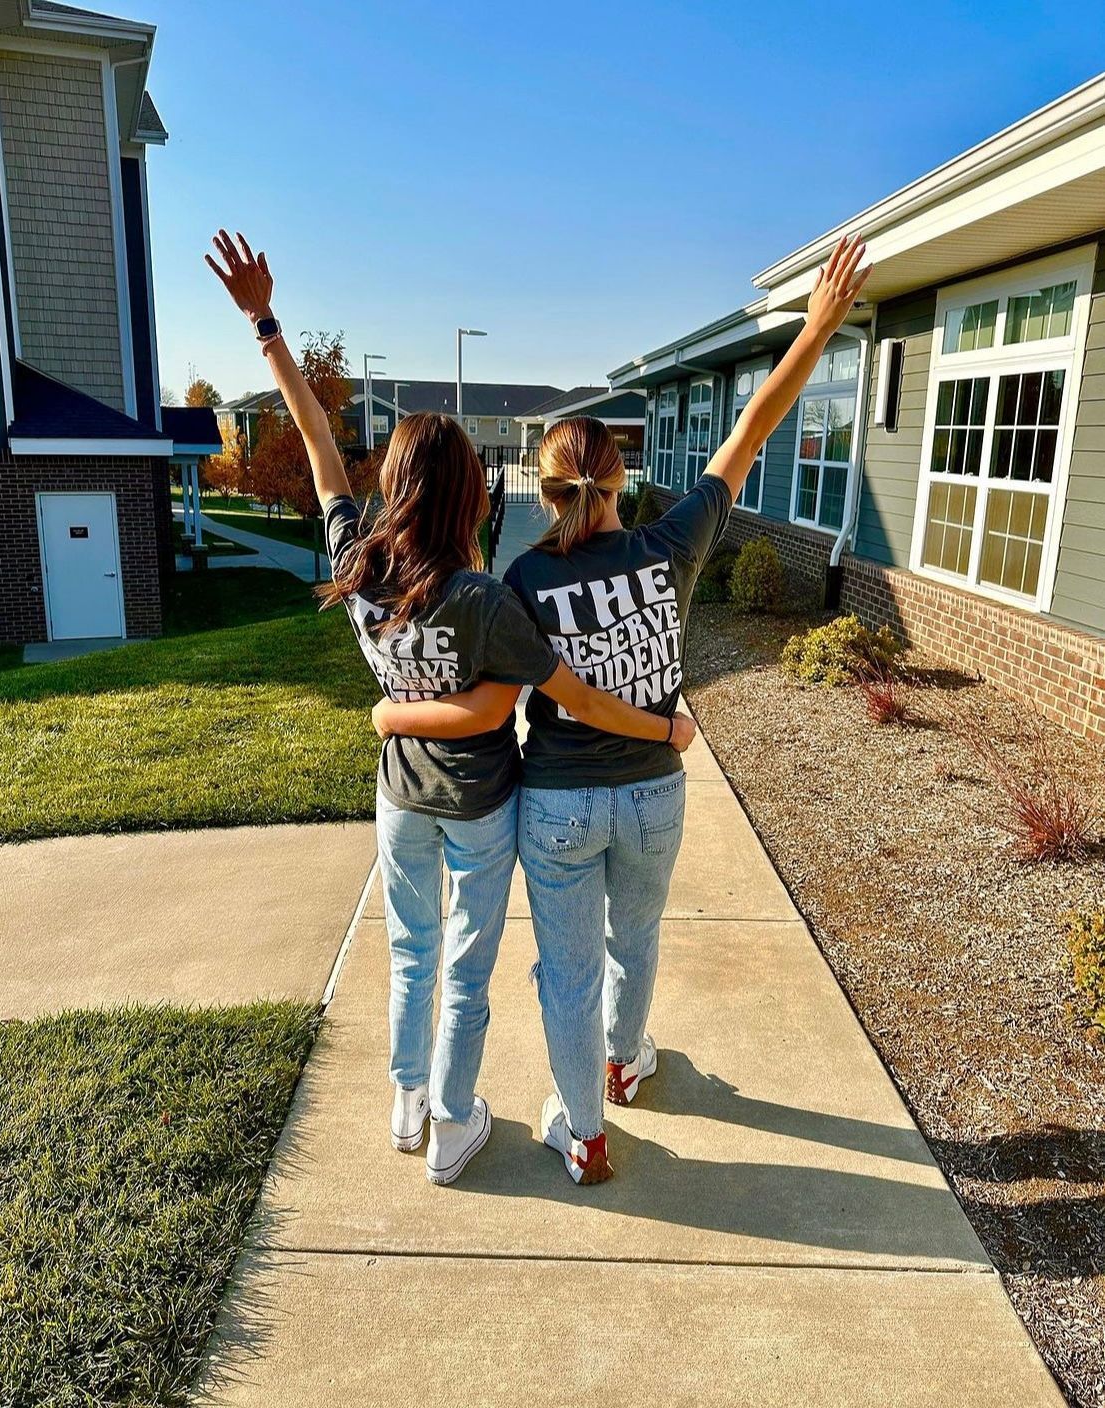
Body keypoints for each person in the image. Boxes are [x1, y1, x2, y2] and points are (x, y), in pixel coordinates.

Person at [374, 233, 872, 1184]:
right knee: (633, 938)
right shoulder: (671, 545)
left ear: (551, 490)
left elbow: (490, 685)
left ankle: (585, 1132)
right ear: (619, 482)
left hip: (556, 803)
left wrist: (393, 711)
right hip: (653, 794)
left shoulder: (516, 577)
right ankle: (624, 1062)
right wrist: (815, 331)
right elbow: (752, 430)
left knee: (563, 972)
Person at [205, 230, 696, 1187]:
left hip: (399, 802)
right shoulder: (482, 599)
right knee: (466, 971)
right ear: (474, 490)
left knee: (409, 954)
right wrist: (666, 729)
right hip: (480, 809)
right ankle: (453, 1124)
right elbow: (485, 715)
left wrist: (268, 328)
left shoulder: (356, 563)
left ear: (390, 487)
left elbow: (315, 447)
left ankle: (405, 1102)